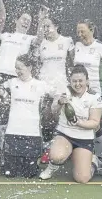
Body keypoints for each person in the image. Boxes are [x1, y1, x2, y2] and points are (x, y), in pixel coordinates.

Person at [39, 65, 102, 183]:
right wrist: (59, 102)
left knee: (82, 178)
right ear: (70, 81)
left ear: (87, 81)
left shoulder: (94, 97)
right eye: (74, 81)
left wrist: (78, 122)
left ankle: (94, 162)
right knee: (56, 156)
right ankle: (51, 167)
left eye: (81, 81)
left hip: (84, 138)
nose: (77, 84)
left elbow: (95, 123)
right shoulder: (65, 91)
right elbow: (53, 111)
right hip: (65, 134)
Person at [0, 54, 57, 178]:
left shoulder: (40, 85)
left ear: (30, 67)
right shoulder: (11, 83)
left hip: (32, 134)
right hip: (13, 132)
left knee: (29, 174)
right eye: (16, 68)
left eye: (20, 68)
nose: (17, 71)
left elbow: (57, 93)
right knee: (10, 173)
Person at [74, 19, 102, 161]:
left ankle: (100, 155)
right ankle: (80, 152)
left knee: (95, 123)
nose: (80, 34)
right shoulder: (77, 46)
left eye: (83, 31)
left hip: (95, 92)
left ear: (91, 30)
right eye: (78, 31)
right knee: (78, 121)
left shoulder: (101, 47)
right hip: (78, 91)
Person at [37, 16, 75, 163]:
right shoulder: (41, 43)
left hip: (60, 84)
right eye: (44, 26)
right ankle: (47, 148)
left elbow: (72, 63)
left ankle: (62, 147)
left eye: (48, 26)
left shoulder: (66, 41)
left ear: (56, 26)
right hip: (44, 84)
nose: (46, 29)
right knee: (45, 116)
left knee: (57, 114)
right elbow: (36, 63)